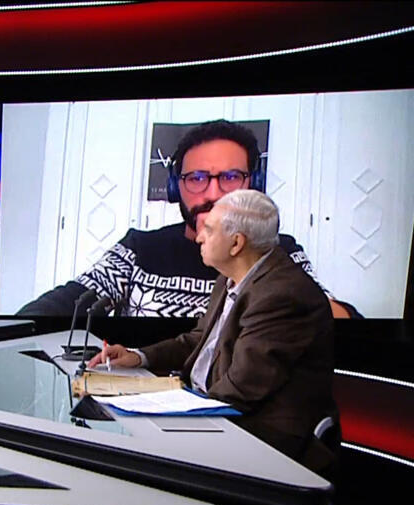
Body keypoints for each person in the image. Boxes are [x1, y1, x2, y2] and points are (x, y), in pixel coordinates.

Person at [91, 190, 337, 472]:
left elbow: (240, 389)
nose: (199, 237)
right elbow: (200, 340)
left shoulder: (282, 295)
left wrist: (163, 407)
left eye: (208, 229)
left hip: (259, 436)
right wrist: (138, 357)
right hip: (213, 410)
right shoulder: (231, 277)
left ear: (236, 243)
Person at [19, 120, 357, 318]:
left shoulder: (279, 250)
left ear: (251, 184)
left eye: (230, 177)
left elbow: (340, 319)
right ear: (174, 187)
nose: (213, 194)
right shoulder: (140, 249)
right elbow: (69, 300)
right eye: (196, 178)